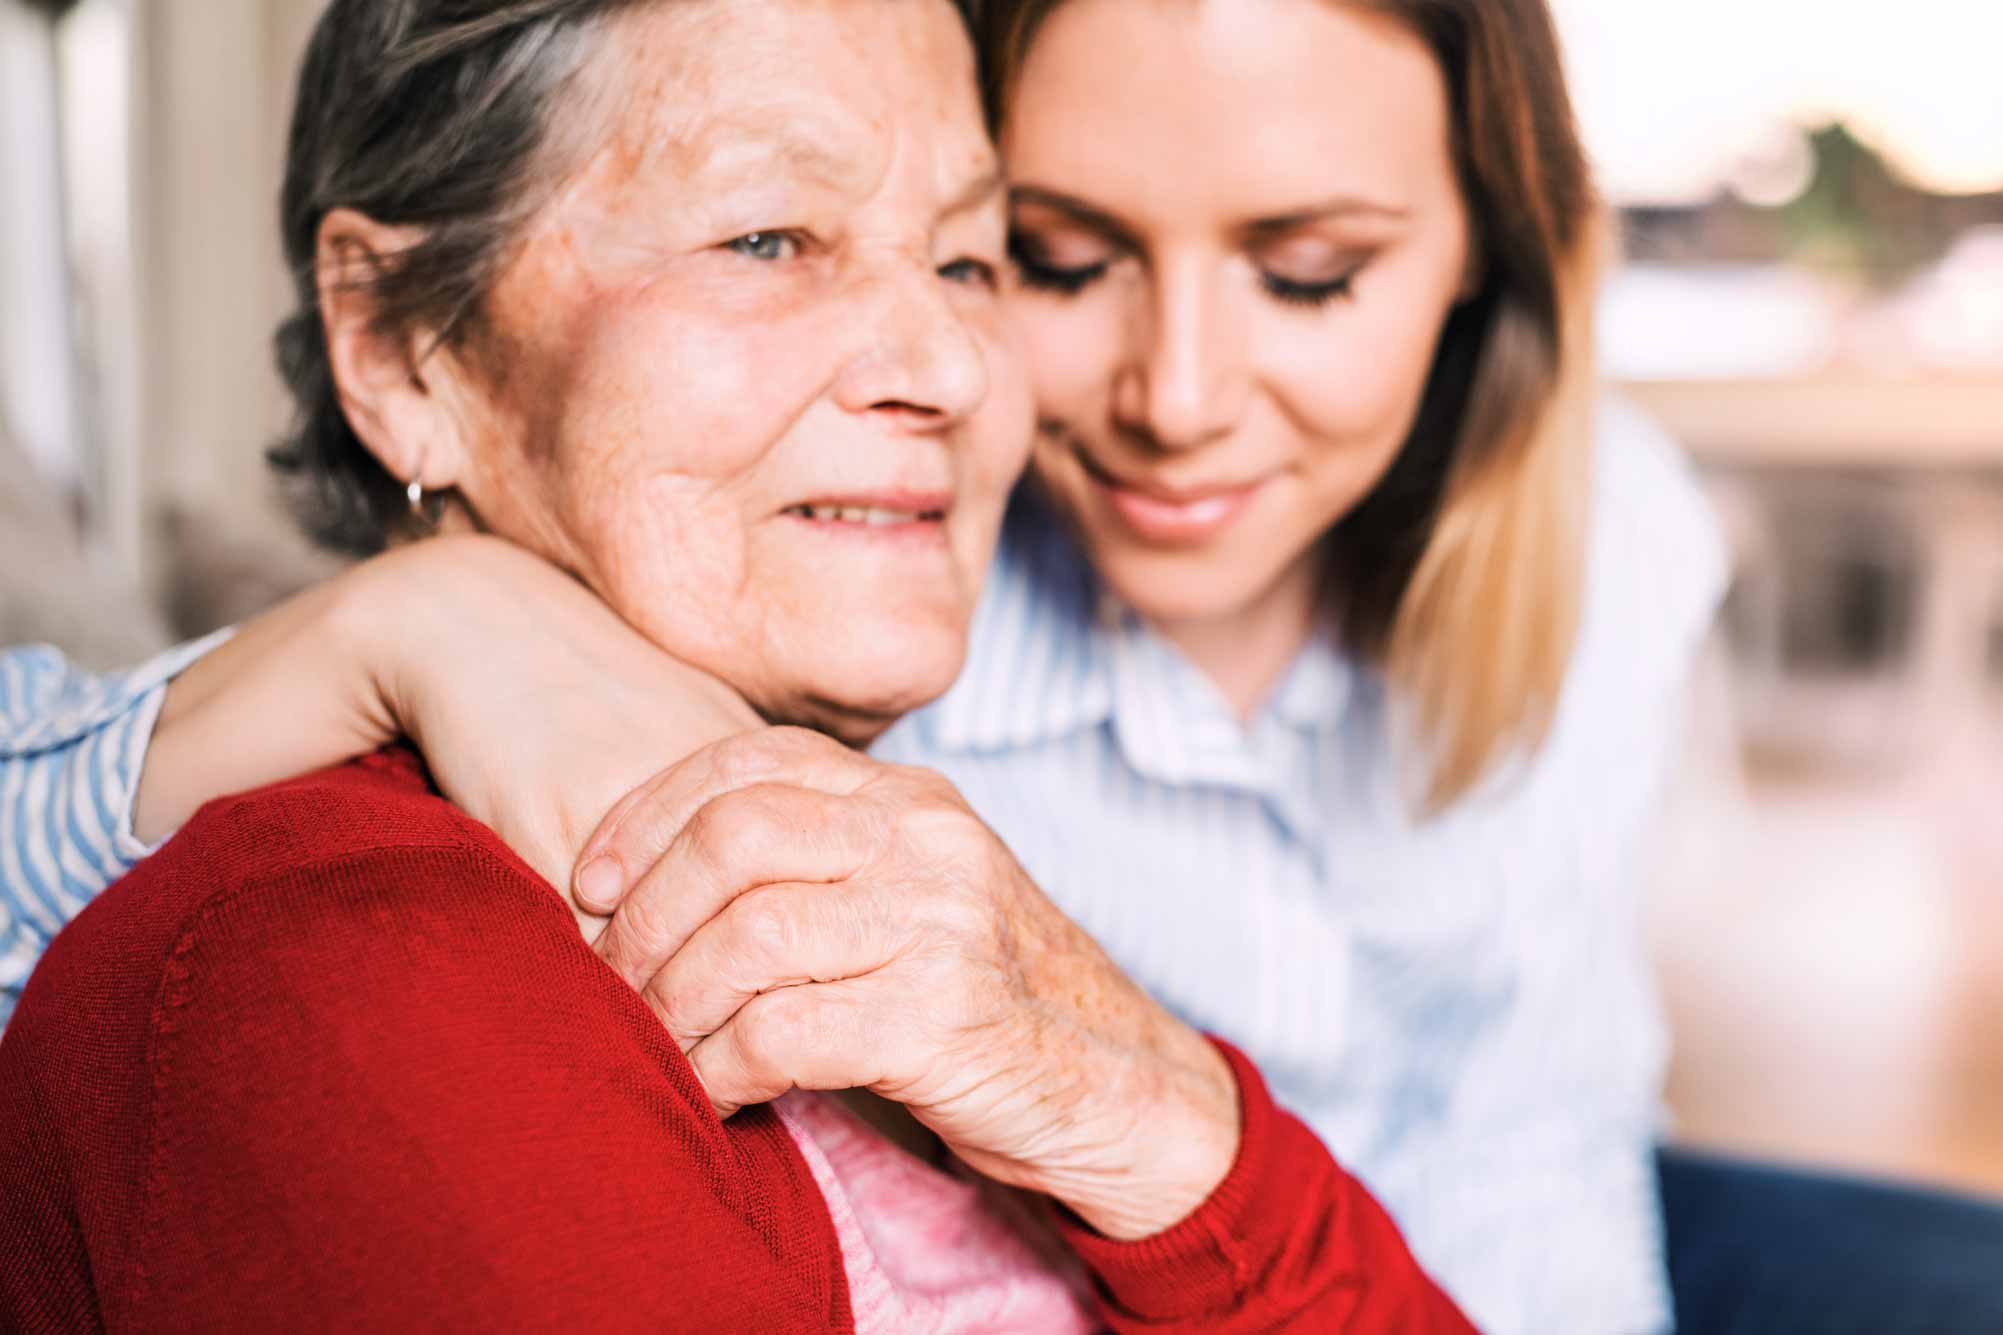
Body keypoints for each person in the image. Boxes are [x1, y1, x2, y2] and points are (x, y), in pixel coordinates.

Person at [9, 0, 2002, 1332]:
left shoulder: (1599, 529)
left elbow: (1533, 1107)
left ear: (1485, 274)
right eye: (774, 237)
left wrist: (1147, 1099)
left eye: (968, 260)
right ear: (399, 346)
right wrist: (404, 621)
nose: (979, 375)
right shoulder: (400, 917)